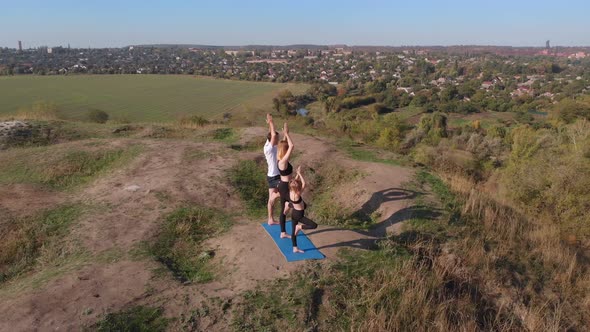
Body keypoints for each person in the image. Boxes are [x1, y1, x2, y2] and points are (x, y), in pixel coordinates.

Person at [284, 166, 317, 253]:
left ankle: (295, 248)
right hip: (299, 215)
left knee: (293, 232)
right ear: (295, 187)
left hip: (294, 213)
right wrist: (299, 173)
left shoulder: (291, 191)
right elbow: (304, 184)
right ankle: (299, 227)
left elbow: (294, 181)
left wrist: (297, 175)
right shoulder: (297, 194)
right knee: (314, 225)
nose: (294, 182)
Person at [277, 122, 294, 239]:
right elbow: (291, 146)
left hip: (285, 185)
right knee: (295, 203)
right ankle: (290, 205)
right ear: (285, 150)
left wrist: (284, 134)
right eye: (286, 149)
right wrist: (287, 134)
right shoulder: (282, 162)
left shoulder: (281, 158)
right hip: (284, 186)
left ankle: (282, 232)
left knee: (283, 210)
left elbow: (285, 144)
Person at [264, 114, 280, 225]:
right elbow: (273, 135)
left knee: (271, 200)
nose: (278, 139)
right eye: (277, 138)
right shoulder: (269, 148)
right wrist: (271, 122)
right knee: (285, 192)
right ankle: (275, 195)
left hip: (272, 175)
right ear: (273, 139)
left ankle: (270, 219)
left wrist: (269, 125)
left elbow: (271, 134)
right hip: (274, 176)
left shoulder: (268, 144)